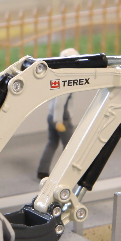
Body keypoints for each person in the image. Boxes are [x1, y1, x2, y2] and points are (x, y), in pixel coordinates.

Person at [36, 48, 80, 179]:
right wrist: (58, 121)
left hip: (51, 116)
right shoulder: (67, 80)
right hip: (62, 120)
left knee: (52, 142)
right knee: (70, 147)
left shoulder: (57, 76)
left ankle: (42, 171)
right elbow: (59, 103)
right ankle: (67, 174)